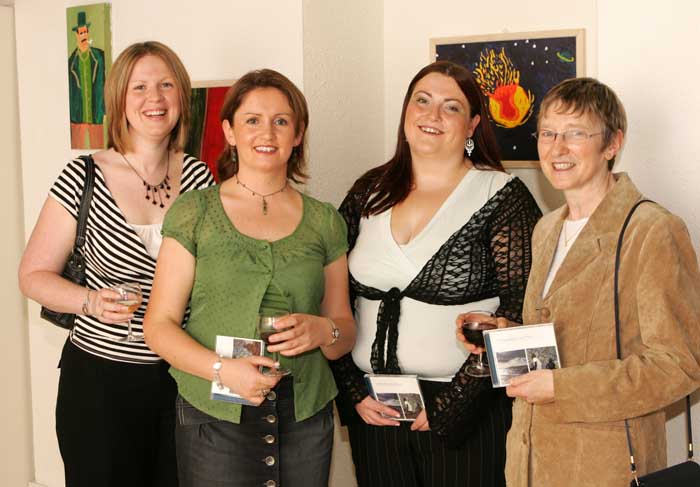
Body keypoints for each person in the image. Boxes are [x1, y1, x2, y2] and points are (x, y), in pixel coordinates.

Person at [458, 77, 700, 486]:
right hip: (530, 462)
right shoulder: (546, 228)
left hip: (607, 469)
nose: (558, 149)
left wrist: (562, 387)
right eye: (549, 133)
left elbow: (679, 366)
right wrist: (505, 334)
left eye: (576, 134)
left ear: (612, 144)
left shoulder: (653, 231)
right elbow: (563, 339)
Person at [330, 61, 542, 487]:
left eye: (451, 107)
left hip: (470, 412)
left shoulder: (502, 196)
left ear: (473, 126)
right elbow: (330, 296)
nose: (432, 115)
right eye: (422, 101)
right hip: (377, 409)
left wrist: (455, 404)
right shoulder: (367, 191)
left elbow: (524, 310)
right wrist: (353, 392)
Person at [143, 68, 356, 487]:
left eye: (281, 121)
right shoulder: (194, 212)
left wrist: (323, 330)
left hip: (305, 415)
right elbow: (158, 326)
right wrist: (224, 370)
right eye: (253, 120)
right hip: (214, 410)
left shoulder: (324, 221)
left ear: (297, 135)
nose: (268, 133)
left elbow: (344, 331)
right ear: (230, 131)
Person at [19, 41, 214, 487]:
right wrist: (89, 300)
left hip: (183, 381)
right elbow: (31, 276)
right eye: (139, 87)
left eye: (166, 85)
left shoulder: (202, 180)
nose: (155, 98)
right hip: (100, 384)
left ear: (182, 96)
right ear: (119, 101)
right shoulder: (82, 177)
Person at [68, 10, 106, 149]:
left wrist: (106, 109)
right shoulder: (71, 62)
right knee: (75, 153)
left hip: (96, 115)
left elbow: (106, 83)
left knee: (100, 153)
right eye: (81, 33)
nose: (84, 36)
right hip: (77, 118)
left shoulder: (100, 57)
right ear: (76, 35)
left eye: (85, 32)